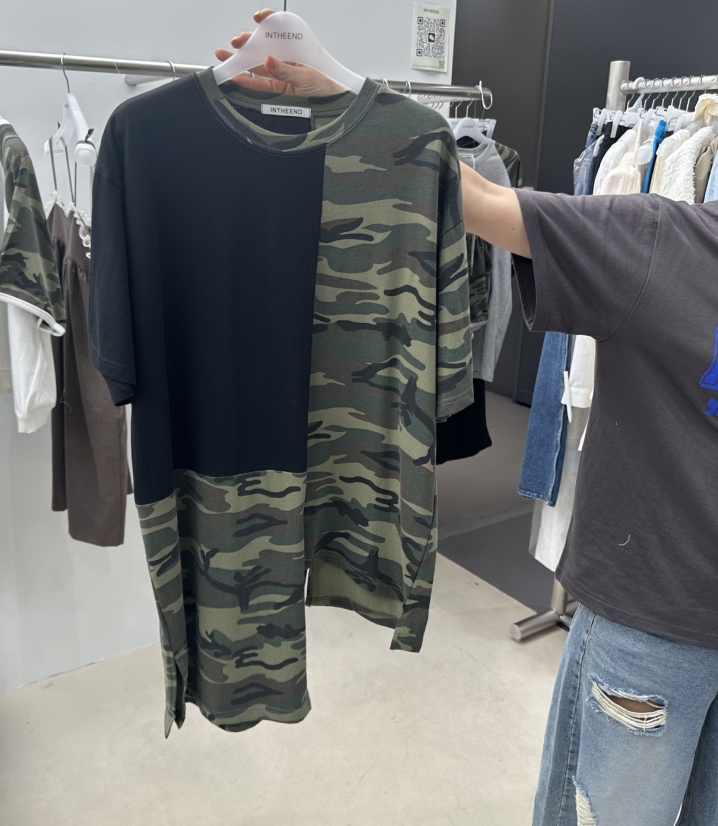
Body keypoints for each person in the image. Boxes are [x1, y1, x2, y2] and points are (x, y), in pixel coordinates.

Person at [217, 12, 718, 825]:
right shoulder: (672, 244)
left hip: (654, 620)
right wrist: (350, 98)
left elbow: (480, 200)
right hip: (658, 623)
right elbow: (479, 198)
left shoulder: (670, 241)